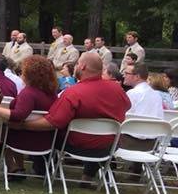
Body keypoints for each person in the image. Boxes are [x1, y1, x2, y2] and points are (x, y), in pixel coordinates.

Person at [17, 53, 130, 185]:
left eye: (76, 64)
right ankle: (88, 176)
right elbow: (128, 106)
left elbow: (52, 122)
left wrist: (23, 125)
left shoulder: (73, 92)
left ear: (82, 66)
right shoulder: (118, 89)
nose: (75, 66)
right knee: (99, 136)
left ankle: (42, 170)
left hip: (76, 145)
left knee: (50, 132)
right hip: (108, 146)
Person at [0, 55, 57, 177]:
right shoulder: (51, 94)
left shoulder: (29, 93)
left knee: (3, 128)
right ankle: (18, 167)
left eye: (23, 71)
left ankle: (12, 167)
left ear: (29, 74)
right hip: (45, 141)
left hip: (23, 140)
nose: (21, 74)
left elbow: (18, 115)